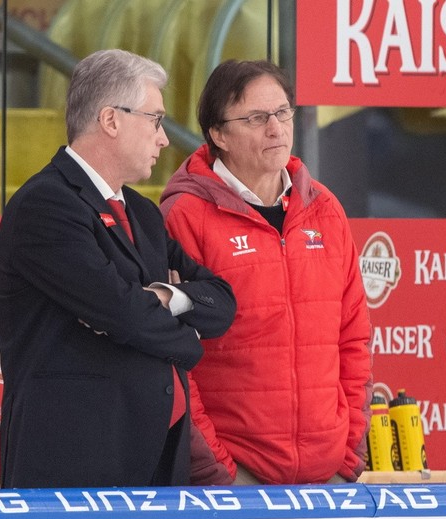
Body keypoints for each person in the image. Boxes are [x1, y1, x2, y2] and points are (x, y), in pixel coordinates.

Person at [0, 49, 236, 489]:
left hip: (156, 460)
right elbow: (124, 314)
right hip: (75, 464)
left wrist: (166, 297)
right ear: (111, 120)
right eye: (156, 120)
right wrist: (188, 336)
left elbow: (221, 300)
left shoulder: (141, 212)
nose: (164, 139)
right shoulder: (45, 205)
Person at [160, 59, 373, 485]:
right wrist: (218, 470)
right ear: (218, 134)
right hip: (237, 481)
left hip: (326, 477)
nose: (276, 128)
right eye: (257, 118)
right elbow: (171, 358)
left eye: (282, 112)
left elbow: (353, 336)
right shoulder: (184, 216)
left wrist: (347, 452)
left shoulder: (325, 209)